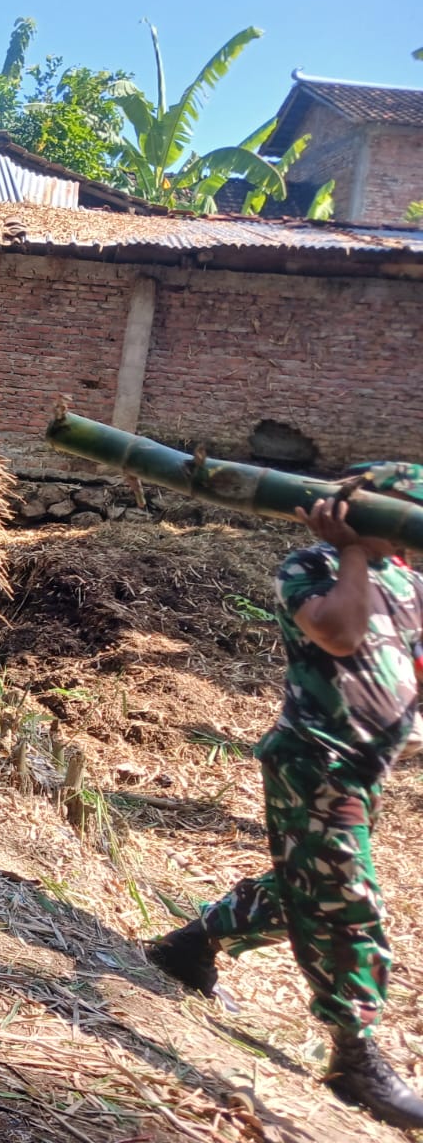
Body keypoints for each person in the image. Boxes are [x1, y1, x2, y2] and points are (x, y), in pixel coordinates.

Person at [146, 468, 423, 1130]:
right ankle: (352, 1056)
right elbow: (341, 634)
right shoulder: (312, 565)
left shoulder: (410, 582)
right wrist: (352, 549)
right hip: (314, 765)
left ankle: (192, 943)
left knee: (306, 883)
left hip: (364, 769)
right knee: (347, 901)